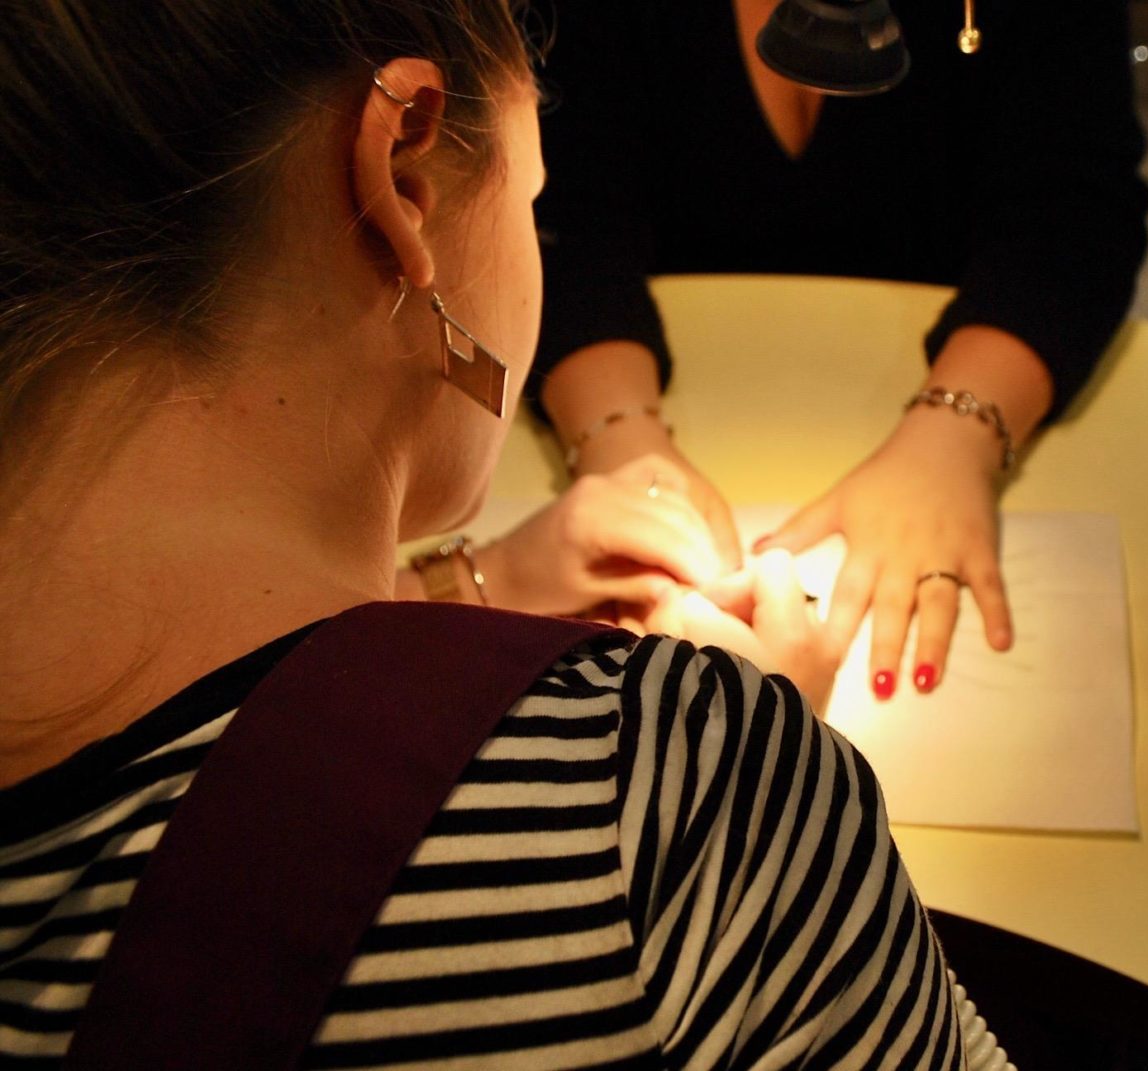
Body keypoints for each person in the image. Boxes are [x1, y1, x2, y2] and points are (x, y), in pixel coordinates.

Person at [0, 2, 994, 1065]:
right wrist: (749, 799)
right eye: (532, 196)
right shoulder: (676, 802)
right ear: (403, 176)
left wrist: (467, 583)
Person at [530, 0, 1148, 700]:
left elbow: (1076, 207)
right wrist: (615, 432)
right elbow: (558, 203)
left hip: (963, 379)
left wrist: (956, 435)